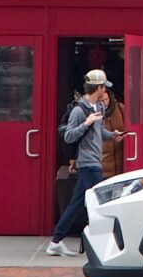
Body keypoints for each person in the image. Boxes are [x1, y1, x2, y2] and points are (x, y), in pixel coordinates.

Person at [45, 71, 117, 256]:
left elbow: (99, 132)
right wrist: (86, 123)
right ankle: (102, 242)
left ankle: (56, 241)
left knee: (77, 203)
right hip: (88, 164)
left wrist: (113, 135)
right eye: (104, 87)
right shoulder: (79, 110)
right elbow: (69, 136)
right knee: (101, 203)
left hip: (95, 162)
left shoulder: (99, 107)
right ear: (98, 87)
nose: (106, 91)